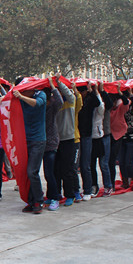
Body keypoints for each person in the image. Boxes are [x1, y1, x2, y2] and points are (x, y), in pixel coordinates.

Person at [14, 83, 47, 214]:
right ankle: (31, 201)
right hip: (24, 139)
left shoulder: (41, 94)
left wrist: (21, 97)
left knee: (32, 171)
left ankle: (39, 200)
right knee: (24, 172)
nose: (22, 92)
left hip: (38, 139)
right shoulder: (19, 97)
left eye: (23, 90)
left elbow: (37, 104)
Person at [54, 76, 78, 207]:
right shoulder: (55, 103)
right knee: (55, 169)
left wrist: (58, 82)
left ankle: (70, 195)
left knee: (67, 169)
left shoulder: (71, 100)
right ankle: (56, 194)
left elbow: (68, 94)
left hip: (68, 139)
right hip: (56, 140)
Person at [41, 77, 63, 210]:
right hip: (41, 143)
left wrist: (53, 86)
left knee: (50, 172)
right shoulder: (40, 107)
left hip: (51, 143)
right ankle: (50, 195)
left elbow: (60, 101)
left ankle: (55, 198)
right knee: (47, 173)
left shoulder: (53, 107)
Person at [77, 82, 101, 201]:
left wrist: (93, 91)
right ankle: (78, 189)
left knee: (85, 164)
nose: (81, 94)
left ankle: (88, 189)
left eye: (82, 92)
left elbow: (98, 103)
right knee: (76, 165)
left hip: (86, 134)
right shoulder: (76, 100)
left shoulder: (90, 100)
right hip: (76, 135)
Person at [90, 83, 113, 196]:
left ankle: (108, 186)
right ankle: (94, 185)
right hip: (92, 136)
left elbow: (109, 104)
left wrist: (102, 91)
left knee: (103, 163)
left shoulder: (104, 102)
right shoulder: (90, 101)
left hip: (104, 135)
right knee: (91, 163)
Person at [118, 90, 133, 191]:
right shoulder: (119, 104)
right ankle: (125, 181)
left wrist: (131, 95)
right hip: (121, 135)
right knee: (122, 161)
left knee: (129, 161)